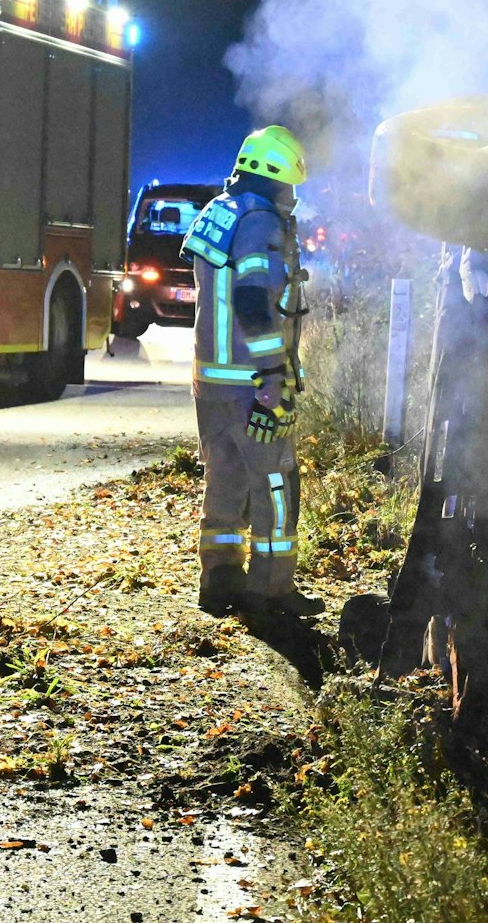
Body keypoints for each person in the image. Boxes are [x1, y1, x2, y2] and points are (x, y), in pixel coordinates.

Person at [180, 126, 324, 619]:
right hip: (249, 382)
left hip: (211, 379)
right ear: (276, 177)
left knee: (224, 473)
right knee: (276, 480)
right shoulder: (261, 221)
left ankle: (218, 580)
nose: (292, 197)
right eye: (290, 187)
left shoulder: (220, 209)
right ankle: (271, 590)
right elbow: (252, 301)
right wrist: (273, 375)